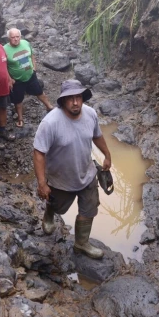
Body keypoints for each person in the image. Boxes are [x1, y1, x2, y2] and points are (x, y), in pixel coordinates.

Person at [33, 80, 112, 259]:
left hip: (87, 173)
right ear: (63, 101)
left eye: (78, 97)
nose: (75, 102)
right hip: (61, 179)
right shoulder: (50, 123)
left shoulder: (90, 113)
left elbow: (97, 136)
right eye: (71, 99)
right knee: (58, 206)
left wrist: (107, 155)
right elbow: (39, 153)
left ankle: (81, 243)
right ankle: (49, 213)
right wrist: (42, 183)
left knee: (89, 209)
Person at [4, 28, 54, 127]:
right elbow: (3, 66)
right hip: (17, 80)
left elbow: (31, 55)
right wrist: (9, 78)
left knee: (39, 92)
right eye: (13, 37)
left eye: (17, 37)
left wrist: (34, 68)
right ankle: (20, 119)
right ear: (9, 38)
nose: (16, 39)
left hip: (30, 75)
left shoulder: (25, 43)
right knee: (18, 100)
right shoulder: (4, 49)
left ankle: (49, 107)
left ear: (20, 36)